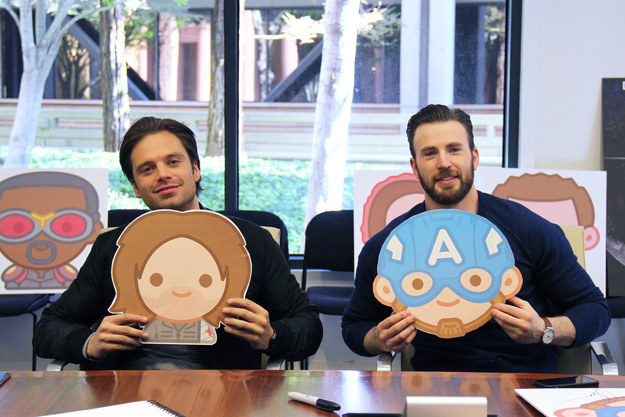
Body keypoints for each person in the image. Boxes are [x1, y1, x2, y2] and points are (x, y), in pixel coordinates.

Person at [34, 116, 322, 370]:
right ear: (135, 187)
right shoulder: (113, 247)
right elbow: (48, 328)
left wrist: (271, 335)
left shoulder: (251, 241)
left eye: (173, 162)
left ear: (195, 170)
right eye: (147, 169)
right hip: (124, 390)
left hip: (223, 392)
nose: (163, 174)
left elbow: (308, 325)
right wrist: (89, 343)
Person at [342, 104, 610, 373]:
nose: (444, 163)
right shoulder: (390, 245)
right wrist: (378, 338)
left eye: (454, 149)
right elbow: (354, 326)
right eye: (430, 153)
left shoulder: (528, 230)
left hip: (525, 384)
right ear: (415, 166)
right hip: (434, 385)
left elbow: (595, 310)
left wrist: (543, 329)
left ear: (474, 157)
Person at [0, 171, 103, 289]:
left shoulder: (83, 279)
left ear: (94, 231)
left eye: (66, 226)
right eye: (18, 226)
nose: (41, 238)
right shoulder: (11, 276)